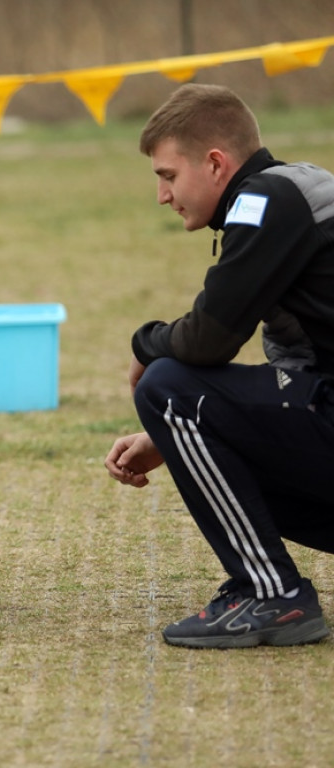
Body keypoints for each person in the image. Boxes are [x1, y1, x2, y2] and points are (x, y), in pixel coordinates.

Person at [104, 83, 334, 649]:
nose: (162, 196)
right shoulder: (292, 193)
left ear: (214, 163)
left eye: (167, 175)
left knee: (165, 383)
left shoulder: (265, 200)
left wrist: (145, 344)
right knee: (179, 397)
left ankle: (274, 595)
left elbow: (208, 341)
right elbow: (296, 370)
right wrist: (177, 435)